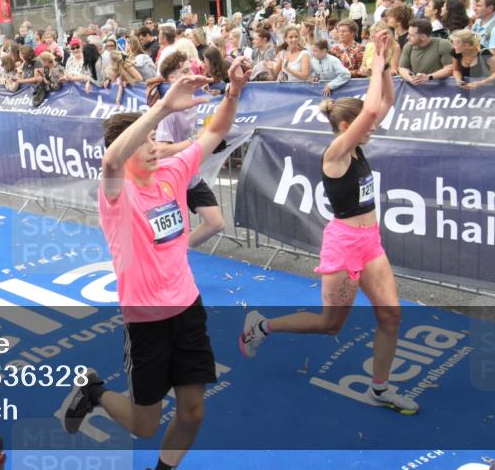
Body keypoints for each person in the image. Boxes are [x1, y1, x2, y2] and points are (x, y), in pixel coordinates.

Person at [60, 55, 250, 470]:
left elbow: (216, 130)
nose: (152, 147)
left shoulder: (173, 172)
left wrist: (234, 92)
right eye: (142, 141)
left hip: (187, 308)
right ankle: (94, 392)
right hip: (147, 321)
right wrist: (163, 106)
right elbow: (112, 161)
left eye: (153, 140)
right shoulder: (116, 193)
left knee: (193, 411)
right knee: (145, 425)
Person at [240, 30, 420, 416]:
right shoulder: (336, 153)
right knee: (329, 325)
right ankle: (263, 326)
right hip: (343, 246)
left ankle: (380, 388)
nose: (372, 129)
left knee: (391, 314)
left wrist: (386, 64)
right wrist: (372, 64)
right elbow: (371, 111)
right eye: (364, 127)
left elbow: (383, 102)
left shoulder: (355, 145)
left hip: (370, 242)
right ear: (345, 128)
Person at [154, 52, 226, 248]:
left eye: (191, 69)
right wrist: (196, 142)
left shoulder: (193, 100)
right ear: (172, 78)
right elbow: (160, 151)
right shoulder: (169, 111)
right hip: (170, 179)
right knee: (166, 233)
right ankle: (167, 256)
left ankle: (180, 249)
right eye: (184, 71)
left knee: (216, 223)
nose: (192, 74)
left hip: (190, 175)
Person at [398, 19, 454, 85]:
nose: (407, 37)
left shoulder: (442, 44)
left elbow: (450, 68)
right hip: (417, 90)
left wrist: (429, 77)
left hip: (440, 89)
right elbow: (402, 68)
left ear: (423, 37)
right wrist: (411, 79)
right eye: (408, 34)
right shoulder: (409, 46)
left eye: (411, 35)